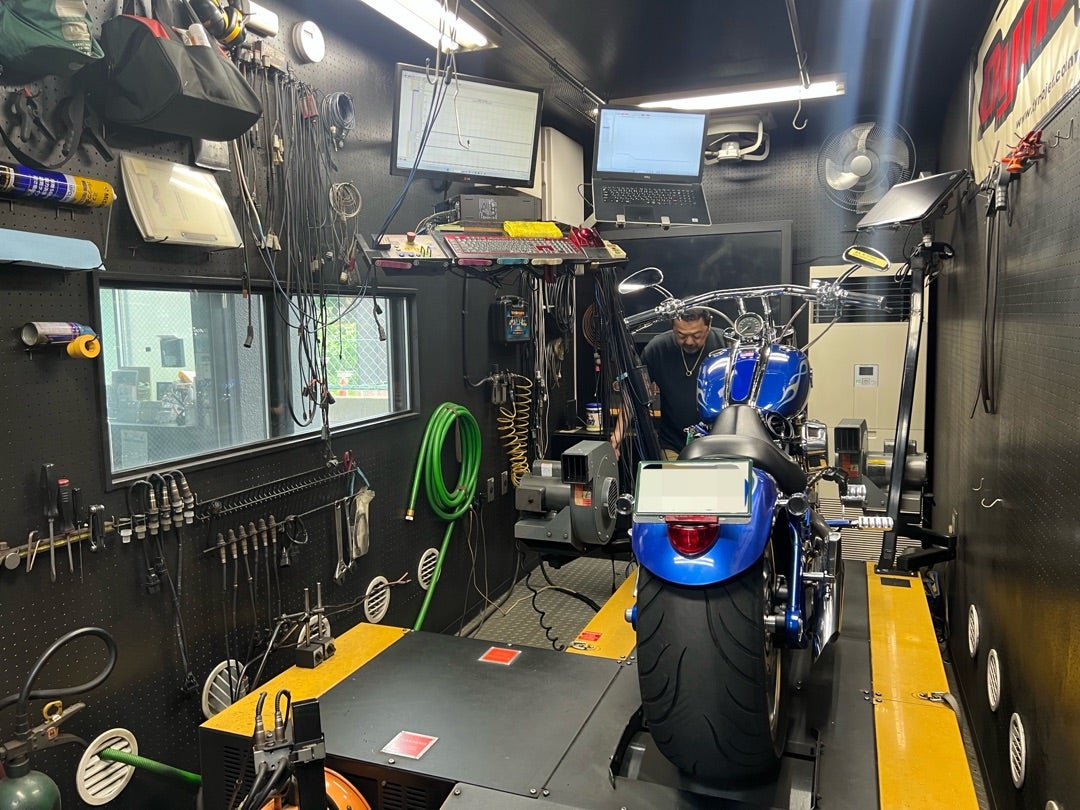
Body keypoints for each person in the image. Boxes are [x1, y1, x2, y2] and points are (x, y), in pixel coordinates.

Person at [611, 309, 726, 459]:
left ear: (709, 324)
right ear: (672, 326)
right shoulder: (657, 349)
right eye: (681, 335)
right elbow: (633, 393)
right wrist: (617, 435)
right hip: (672, 444)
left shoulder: (726, 344)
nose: (689, 342)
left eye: (697, 335)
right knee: (672, 474)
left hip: (719, 444)